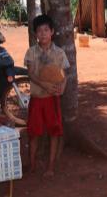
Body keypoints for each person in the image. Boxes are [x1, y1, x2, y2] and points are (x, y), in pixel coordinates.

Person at [24, 14, 69, 177]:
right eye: (39, 31)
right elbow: (30, 74)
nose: (42, 33)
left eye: (46, 30)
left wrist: (62, 88)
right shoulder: (31, 52)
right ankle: (33, 164)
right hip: (37, 99)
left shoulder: (59, 53)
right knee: (34, 133)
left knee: (54, 133)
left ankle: (50, 167)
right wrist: (45, 85)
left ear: (52, 32)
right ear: (35, 34)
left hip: (52, 100)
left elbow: (64, 75)